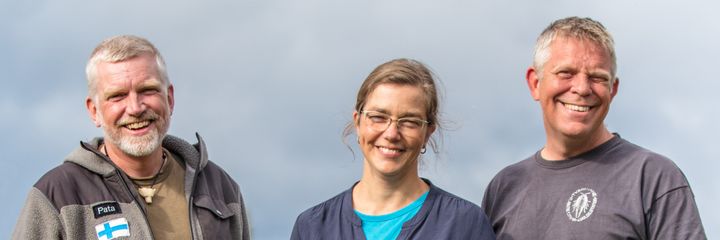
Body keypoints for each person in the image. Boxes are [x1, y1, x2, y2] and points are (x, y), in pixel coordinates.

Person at [481, 17, 706, 239]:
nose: (581, 88)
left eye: (597, 77)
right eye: (565, 73)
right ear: (535, 83)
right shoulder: (504, 188)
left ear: (613, 89)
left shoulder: (653, 176)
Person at [13, 35, 250, 239]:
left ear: (170, 99)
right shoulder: (57, 195)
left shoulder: (220, 187)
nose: (135, 107)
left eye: (147, 90)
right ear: (94, 110)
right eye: (118, 96)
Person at [291, 58, 496, 240]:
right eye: (378, 117)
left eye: (409, 121)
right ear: (358, 122)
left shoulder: (464, 224)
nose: (391, 133)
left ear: (428, 132)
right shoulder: (313, 227)